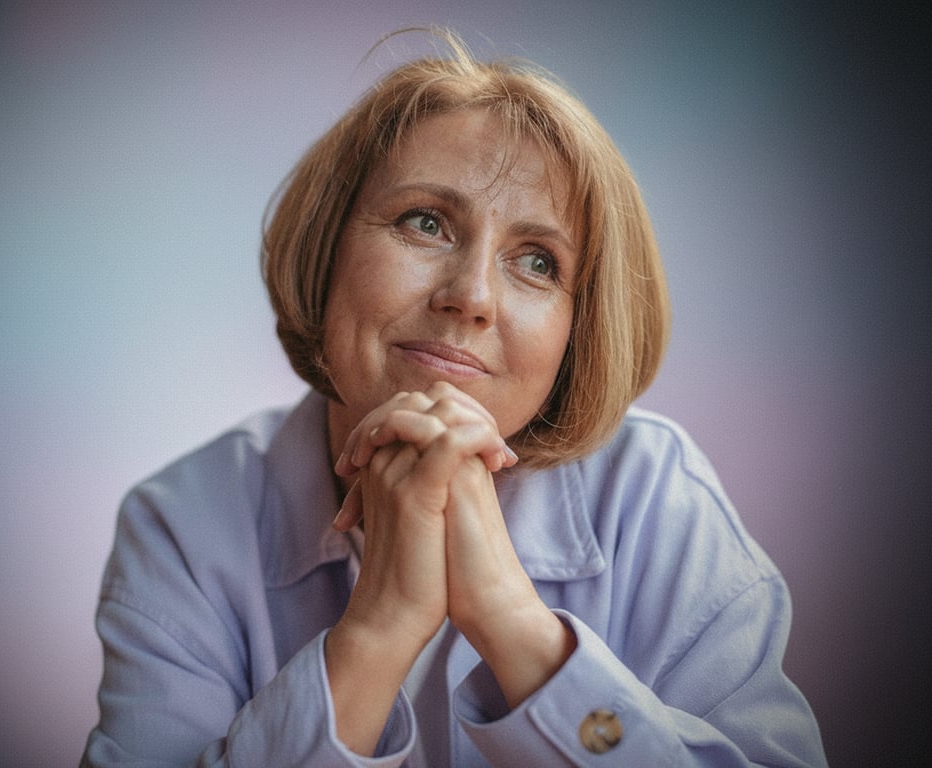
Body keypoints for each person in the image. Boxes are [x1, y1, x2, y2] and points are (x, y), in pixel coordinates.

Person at [81, 31, 828, 767]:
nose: (471, 297)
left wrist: (514, 622)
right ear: (328, 246)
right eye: (426, 222)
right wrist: (378, 629)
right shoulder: (184, 522)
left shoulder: (656, 494)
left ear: (581, 328)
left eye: (538, 262)